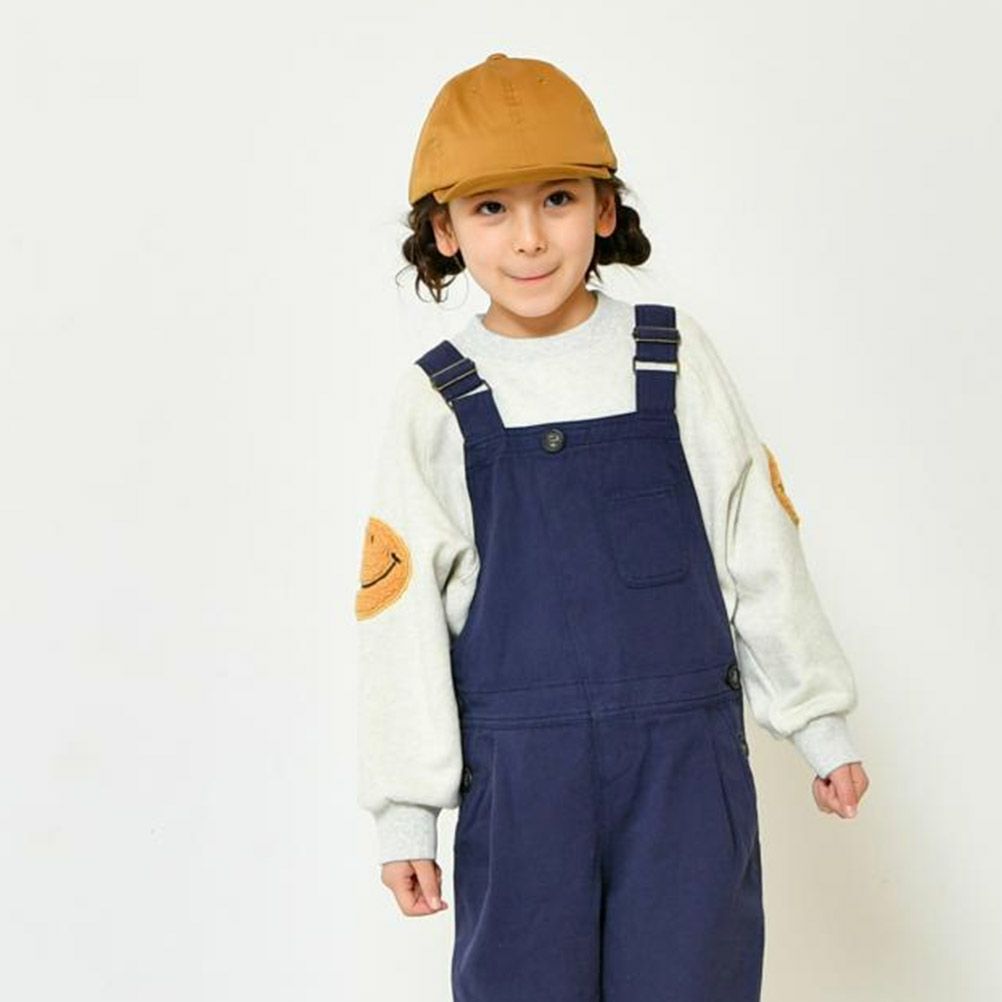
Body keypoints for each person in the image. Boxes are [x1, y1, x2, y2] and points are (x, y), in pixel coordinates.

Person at [353, 52, 870, 1001]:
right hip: (521, 779)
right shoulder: (436, 399)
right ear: (445, 231)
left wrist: (817, 722)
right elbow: (401, 618)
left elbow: (754, 539)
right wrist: (406, 814)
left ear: (603, 208)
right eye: (491, 208)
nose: (529, 239)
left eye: (557, 198)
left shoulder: (672, 356)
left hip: (684, 768)